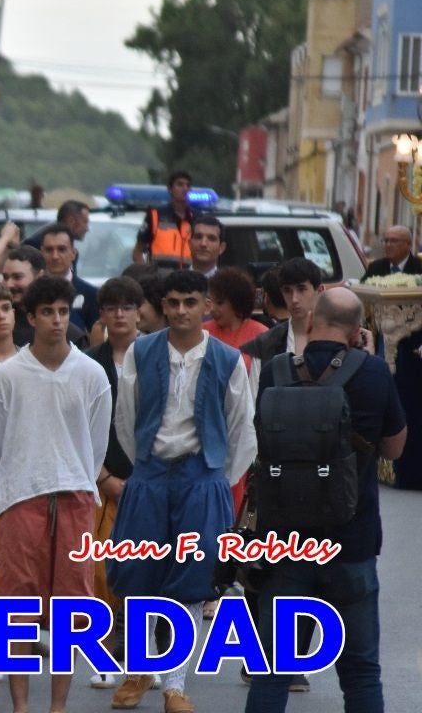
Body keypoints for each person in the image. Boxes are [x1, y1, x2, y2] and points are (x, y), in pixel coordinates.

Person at [244, 288, 406, 713]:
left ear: (312, 320)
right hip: (351, 541)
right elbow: (394, 449)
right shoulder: (372, 373)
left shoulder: (276, 371)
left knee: (273, 670)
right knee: (360, 672)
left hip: (285, 545)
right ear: (357, 332)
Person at [108, 270, 256, 713]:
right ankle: (139, 668)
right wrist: (147, 470)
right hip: (151, 474)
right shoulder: (140, 350)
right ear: (163, 305)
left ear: (206, 304)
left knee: (192, 582)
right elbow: (127, 420)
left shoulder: (229, 359)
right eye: (172, 302)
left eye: (190, 302)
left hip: (203, 476)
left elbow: (240, 429)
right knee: (137, 576)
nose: (180, 311)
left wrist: (214, 478)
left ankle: (176, 683)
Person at [0, 277, 111, 713]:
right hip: (22, 497)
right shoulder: (9, 376)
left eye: (63, 311)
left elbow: (96, 447)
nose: (57, 321)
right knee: (15, 607)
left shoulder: (92, 373)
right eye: (47, 313)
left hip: (75, 497)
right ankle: (20, 705)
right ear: (31, 317)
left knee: (72, 610)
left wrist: (75, 476)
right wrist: (19, 486)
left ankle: (58, 705)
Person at [83, 276, 144, 688]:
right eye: (111, 308)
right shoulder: (87, 363)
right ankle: (106, 655)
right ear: (102, 314)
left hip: (151, 482)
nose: (119, 314)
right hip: (102, 481)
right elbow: (80, 426)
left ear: (140, 312)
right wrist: (104, 476)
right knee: (102, 573)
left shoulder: (157, 357)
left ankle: (145, 659)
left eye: (127, 307)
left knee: (147, 573)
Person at [241, 258, 322, 392]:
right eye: (287, 291)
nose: (294, 299)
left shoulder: (337, 336)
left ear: (319, 290)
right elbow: (254, 397)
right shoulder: (266, 343)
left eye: (301, 289)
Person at [40, 224, 99, 331]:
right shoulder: (32, 293)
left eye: (61, 249)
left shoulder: (91, 294)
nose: (55, 256)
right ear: (42, 253)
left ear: (73, 253)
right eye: (49, 250)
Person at [204, 268, 268, 369]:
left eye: (220, 303)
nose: (212, 309)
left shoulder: (262, 334)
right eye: (210, 302)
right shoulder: (202, 331)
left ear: (236, 302)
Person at [132, 170, 194, 266]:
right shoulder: (155, 215)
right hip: (160, 279)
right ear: (170, 189)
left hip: (189, 279)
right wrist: (147, 274)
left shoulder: (196, 218)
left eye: (188, 185)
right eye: (180, 184)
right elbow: (137, 253)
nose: (185, 188)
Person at [23, 199, 91, 249]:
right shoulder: (35, 245)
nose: (87, 229)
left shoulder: (71, 249)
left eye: (61, 249)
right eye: (85, 222)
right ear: (71, 221)